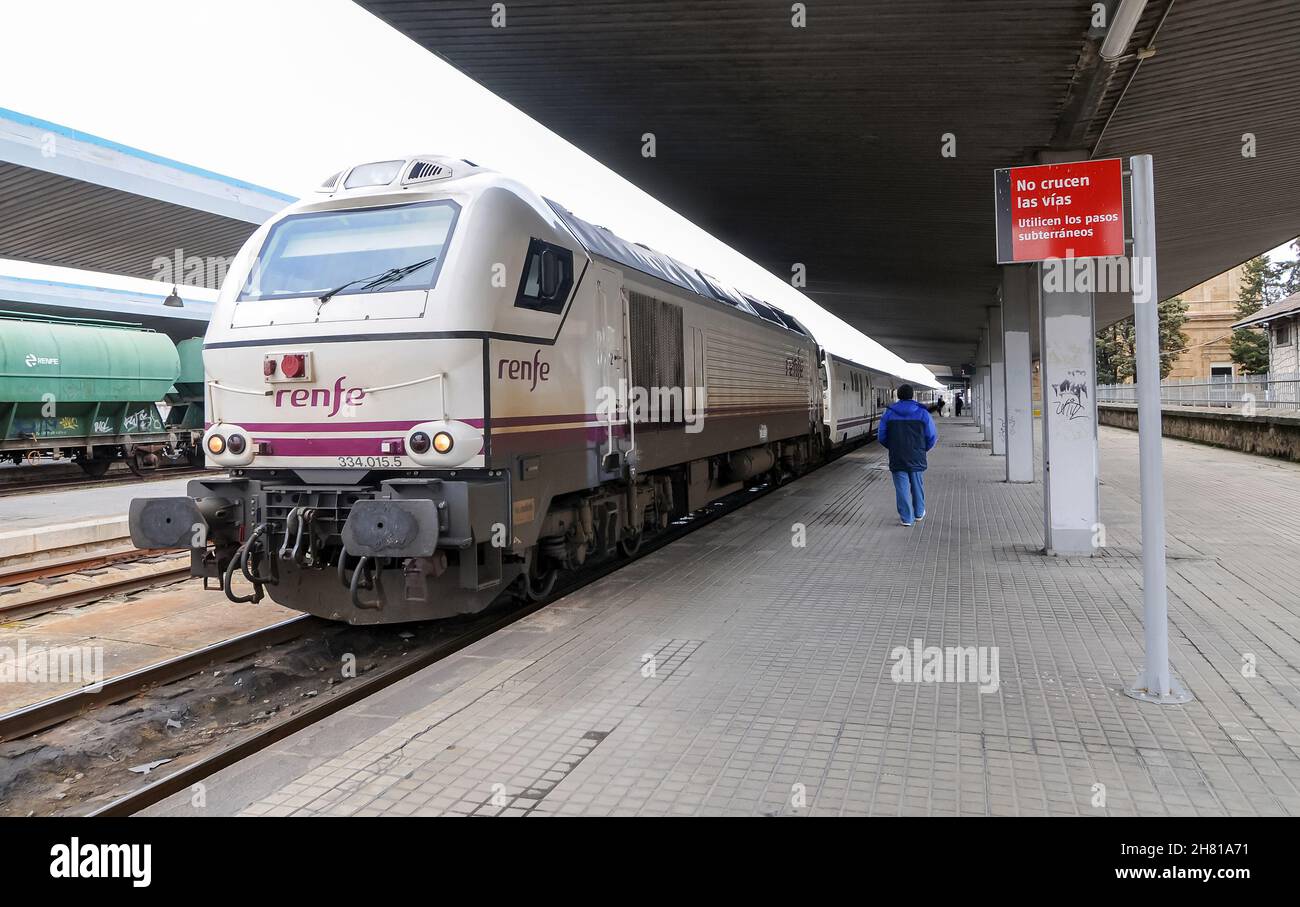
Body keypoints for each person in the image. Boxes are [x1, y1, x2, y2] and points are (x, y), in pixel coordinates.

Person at [877, 384, 937, 527]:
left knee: (901, 487)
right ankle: (919, 513)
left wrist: (893, 447)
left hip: (897, 455)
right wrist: (923, 449)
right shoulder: (923, 413)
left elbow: (881, 436)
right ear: (912, 396)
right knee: (917, 484)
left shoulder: (889, 413)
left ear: (898, 395)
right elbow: (932, 436)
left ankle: (906, 518)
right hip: (917, 454)